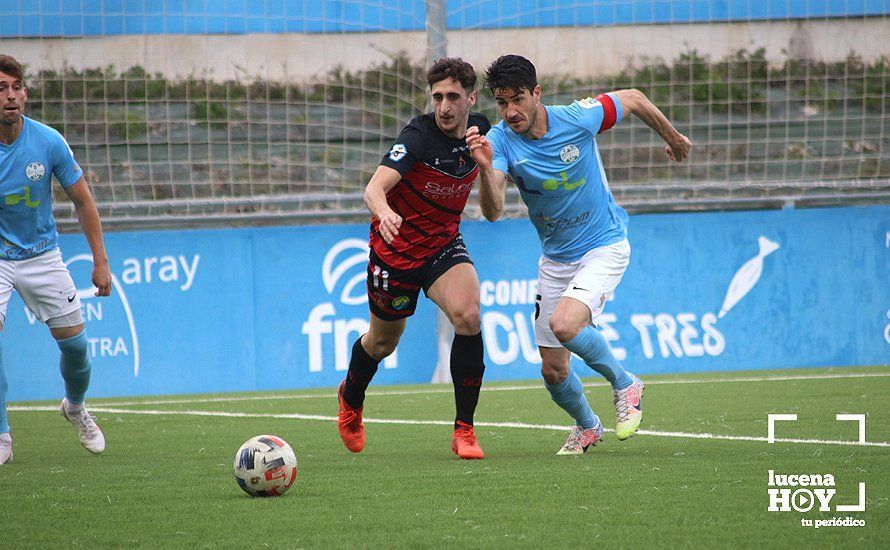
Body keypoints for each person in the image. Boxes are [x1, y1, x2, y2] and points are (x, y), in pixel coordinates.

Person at [466, 54, 691, 455]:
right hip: (555, 259)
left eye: (518, 99)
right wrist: (485, 170)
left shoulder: (577, 117)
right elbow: (494, 212)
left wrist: (672, 138)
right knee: (552, 369)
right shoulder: (499, 141)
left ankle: (625, 383)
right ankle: (587, 427)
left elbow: (635, 98)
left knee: (566, 324)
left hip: (603, 245)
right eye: (502, 103)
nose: (511, 111)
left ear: (537, 93)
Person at [336, 58, 491, 460]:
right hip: (396, 252)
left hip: (442, 246)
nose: (444, 106)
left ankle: (465, 430)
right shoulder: (418, 137)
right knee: (383, 343)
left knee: (469, 315)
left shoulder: (482, 132)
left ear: (471, 99)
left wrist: (488, 170)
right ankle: (351, 396)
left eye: (453, 97)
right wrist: (384, 211)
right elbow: (374, 188)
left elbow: (493, 209)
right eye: (437, 97)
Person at [0, 54, 112, 465]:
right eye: (0, 89)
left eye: (15, 88)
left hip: (43, 256)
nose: (9, 96)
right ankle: (2, 436)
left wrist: (100, 262)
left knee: (77, 348)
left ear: (25, 94)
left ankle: (76, 407)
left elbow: (83, 201)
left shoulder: (47, 142)